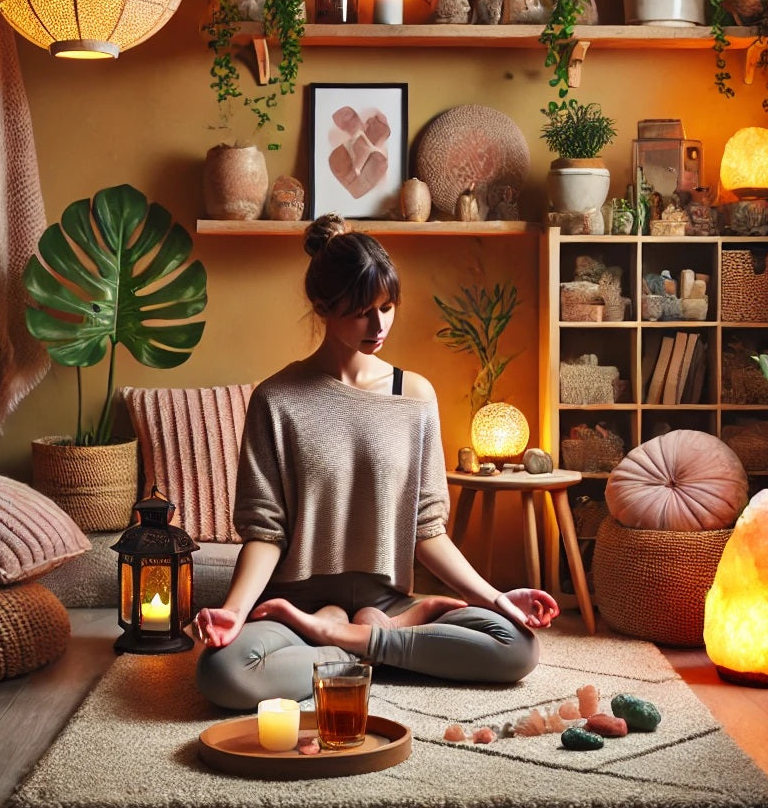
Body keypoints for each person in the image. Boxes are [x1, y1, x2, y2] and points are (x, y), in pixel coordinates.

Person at [194, 214, 559, 710]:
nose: (379, 325)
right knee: (222, 674)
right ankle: (371, 645)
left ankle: (350, 643)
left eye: (387, 308)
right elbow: (265, 531)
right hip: (294, 611)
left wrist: (497, 598)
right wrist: (236, 612)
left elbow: (428, 531)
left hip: (389, 605)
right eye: (362, 311)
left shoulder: (415, 396)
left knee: (517, 647)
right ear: (323, 308)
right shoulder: (276, 400)